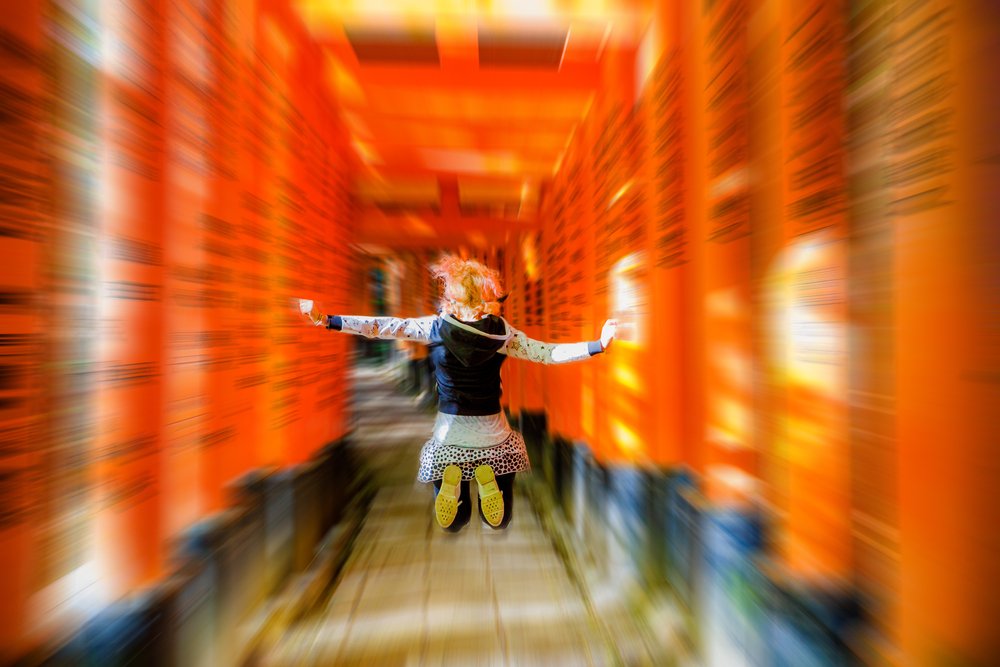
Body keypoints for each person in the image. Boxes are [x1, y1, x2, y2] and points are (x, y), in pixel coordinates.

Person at [299, 255, 617, 532]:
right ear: (485, 297)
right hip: (492, 430)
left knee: (454, 519)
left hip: (449, 431)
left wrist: (329, 321)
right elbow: (548, 353)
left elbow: (385, 326)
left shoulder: (434, 328)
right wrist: (597, 346)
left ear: (451, 299)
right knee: (500, 514)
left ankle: (449, 492)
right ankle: (487, 480)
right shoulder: (503, 333)